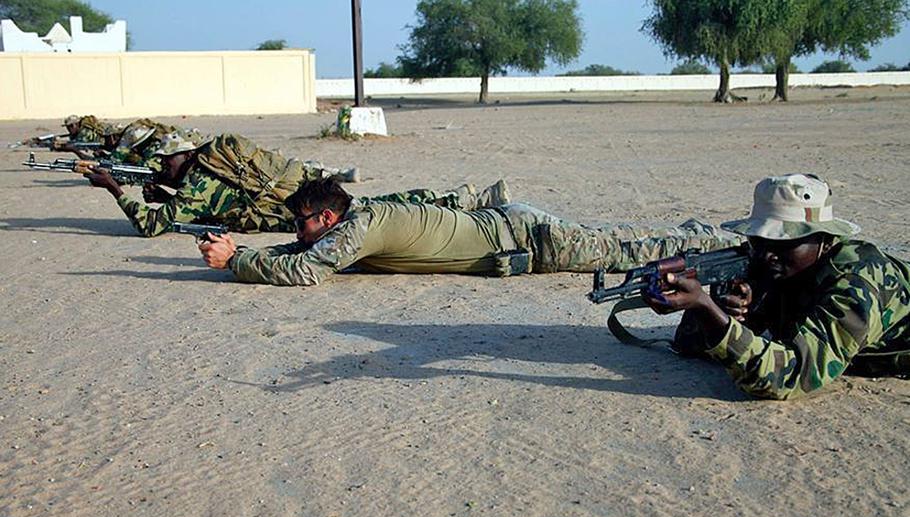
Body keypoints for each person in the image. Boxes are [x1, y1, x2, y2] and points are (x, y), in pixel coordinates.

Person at [196, 176, 739, 287]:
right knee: (625, 241)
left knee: (629, 253)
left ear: (329, 218)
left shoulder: (362, 227)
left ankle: (723, 237)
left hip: (529, 240)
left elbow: (310, 268)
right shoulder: (362, 218)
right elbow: (307, 249)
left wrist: (239, 260)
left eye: (302, 222)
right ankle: (709, 233)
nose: (298, 230)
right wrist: (243, 249)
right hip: (514, 230)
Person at [643, 174, 910, 400]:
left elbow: (788, 377)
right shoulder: (778, 268)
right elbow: (689, 345)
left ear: (824, 240)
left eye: (784, 243)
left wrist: (707, 308)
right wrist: (724, 312)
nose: (767, 255)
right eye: (758, 240)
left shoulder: (856, 283)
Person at [84, 130, 511, 237]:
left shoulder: (198, 179)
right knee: (379, 206)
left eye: (168, 162)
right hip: (298, 199)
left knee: (382, 211)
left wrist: (116, 191)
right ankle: (464, 198)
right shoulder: (206, 171)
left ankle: (465, 200)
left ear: (182, 156)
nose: (166, 167)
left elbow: (153, 226)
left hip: (292, 212)